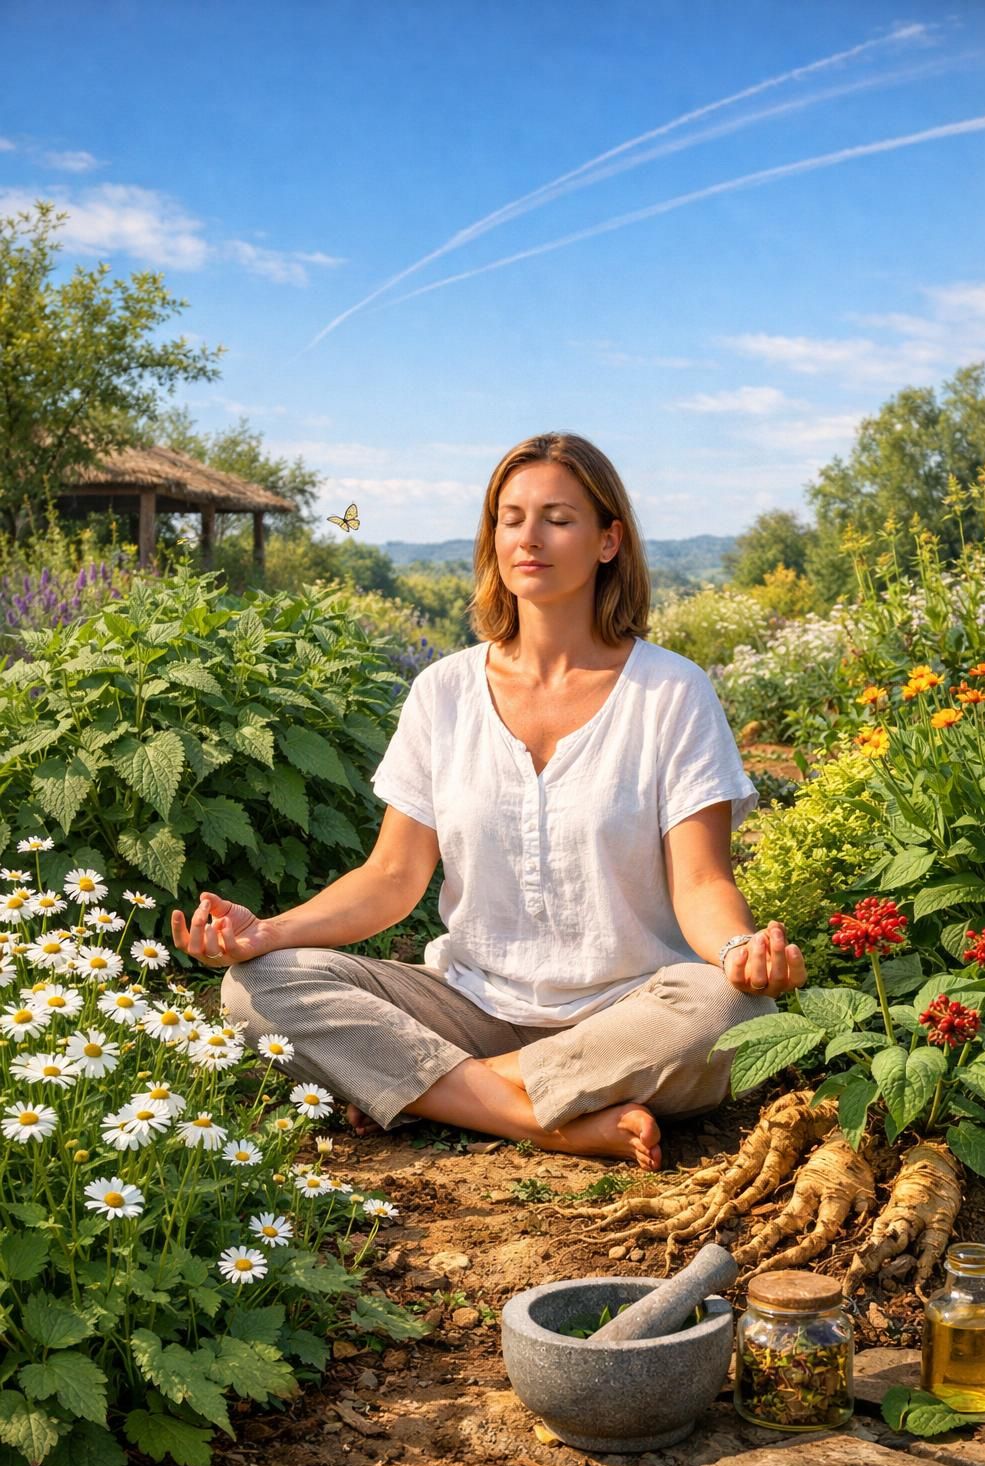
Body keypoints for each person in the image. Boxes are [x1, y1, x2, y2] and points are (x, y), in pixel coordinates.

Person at [171, 432, 807, 1170]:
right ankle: (547, 1118)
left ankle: (437, 1094)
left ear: (609, 541)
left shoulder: (672, 692)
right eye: (510, 518)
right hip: (466, 1010)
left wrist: (739, 953)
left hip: (629, 1014)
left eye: (558, 519)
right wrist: (268, 933)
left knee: (730, 1011)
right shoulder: (443, 691)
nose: (527, 538)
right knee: (259, 989)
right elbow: (391, 879)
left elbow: (701, 882)